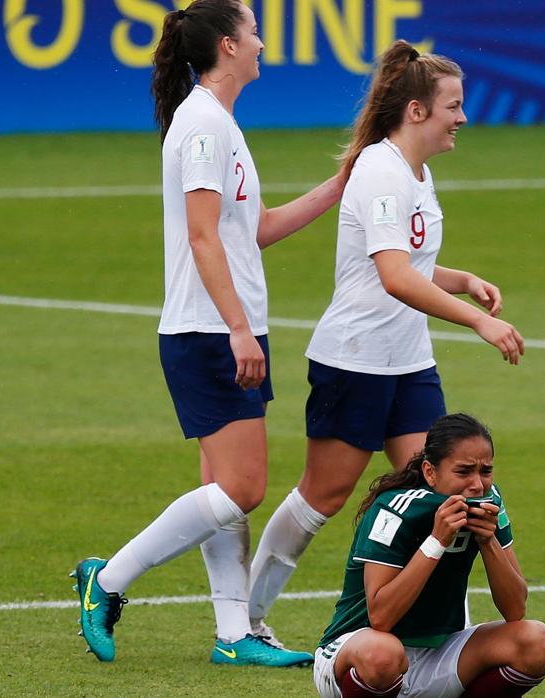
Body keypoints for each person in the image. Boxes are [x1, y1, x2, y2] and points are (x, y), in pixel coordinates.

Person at [70, 0, 343, 664]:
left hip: (226, 328)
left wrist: (341, 182)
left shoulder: (220, 123)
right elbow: (200, 237)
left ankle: (232, 635)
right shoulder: (202, 127)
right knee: (243, 488)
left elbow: (256, 229)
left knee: (223, 488)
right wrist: (239, 331)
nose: (261, 42)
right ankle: (106, 582)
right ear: (227, 45)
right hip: (210, 331)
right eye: (253, 32)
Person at [245, 40, 525, 641]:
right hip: (355, 361)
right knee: (323, 496)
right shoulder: (378, 169)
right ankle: (247, 618)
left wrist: (463, 279)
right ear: (418, 111)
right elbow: (394, 278)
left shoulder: (417, 174)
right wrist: (477, 321)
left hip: (409, 363)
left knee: (446, 497)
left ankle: (454, 633)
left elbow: (412, 263)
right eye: (454, 105)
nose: (464, 117)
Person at [312, 413, 545, 697]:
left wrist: (488, 541)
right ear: (430, 472)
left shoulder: (489, 503)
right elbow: (380, 617)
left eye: (485, 471)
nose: (477, 484)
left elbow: (515, 609)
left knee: (535, 641)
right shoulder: (394, 509)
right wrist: (436, 542)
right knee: (383, 653)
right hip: (358, 654)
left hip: (438, 654)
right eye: (463, 472)